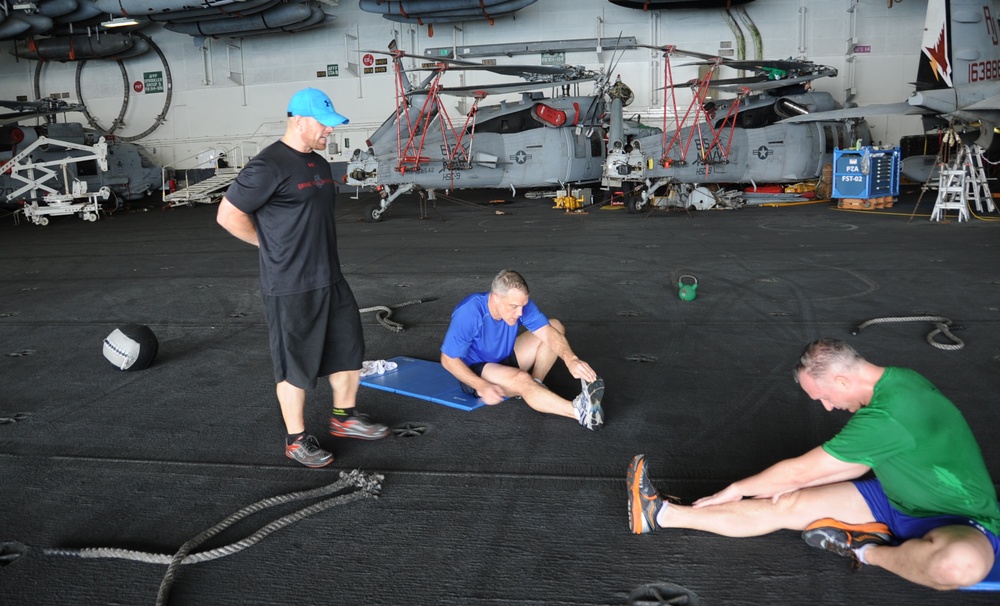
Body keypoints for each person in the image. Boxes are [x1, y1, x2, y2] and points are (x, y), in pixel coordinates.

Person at [627, 338, 1000, 590]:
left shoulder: (888, 416)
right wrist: (777, 489)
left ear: (841, 377)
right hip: (894, 497)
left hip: (959, 519)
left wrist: (738, 488)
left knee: (958, 565)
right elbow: (850, 467)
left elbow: (803, 470)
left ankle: (865, 550)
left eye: (823, 396)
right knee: (784, 504)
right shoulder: (900, 379)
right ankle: (661, 515)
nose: (826, 407)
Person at [216, 87, 389, 469]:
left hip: (330, 277)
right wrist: (270, 246)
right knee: (295, 365)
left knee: (348, 350)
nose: (330, 132)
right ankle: (296, 440)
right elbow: (227, 215)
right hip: (290, 286)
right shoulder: (267, 166)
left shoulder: (319, 164)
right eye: (324, 125)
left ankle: (345, 419)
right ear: (299, 120)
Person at [440, 269, 605, 430]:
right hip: (477, 369)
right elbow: (448, 359)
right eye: (513, 306)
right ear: (496, 298)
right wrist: (481, 385)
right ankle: (579, 412)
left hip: (504, 355)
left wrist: (571, 359)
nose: (520, 312)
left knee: (555, 326)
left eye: (523, 306)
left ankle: (536, 383)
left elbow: (547, 332)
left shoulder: (520, 305)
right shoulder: (470, 312)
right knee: (521, 379)